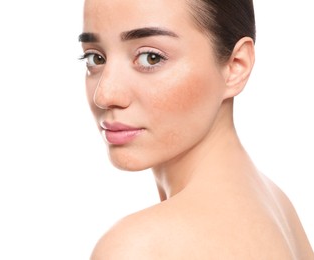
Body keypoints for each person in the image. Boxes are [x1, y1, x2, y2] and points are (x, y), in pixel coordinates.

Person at [79, 0, 314, 258]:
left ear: (236, 66)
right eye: (95, 58)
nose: (105, 94)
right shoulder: (276, 208)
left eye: (151, 57)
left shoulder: (140, 247)